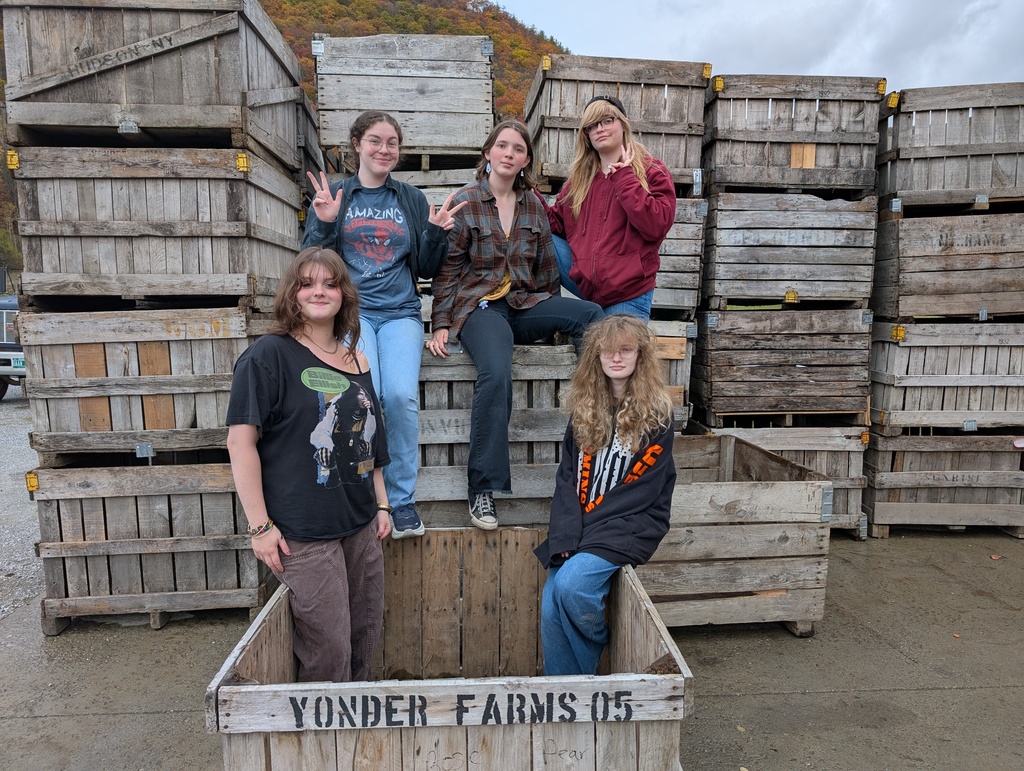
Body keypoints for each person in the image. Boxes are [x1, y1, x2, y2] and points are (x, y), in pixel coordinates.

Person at [426, 119, 604, 531]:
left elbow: (545, 269)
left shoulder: (533, 206)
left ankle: (592, 417)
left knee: (591, 315)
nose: (509, 153)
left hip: (524, 302)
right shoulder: (467, 202)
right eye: (502, 146)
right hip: (481, 308)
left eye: (518, 149)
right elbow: (448, 272)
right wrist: (441, 324)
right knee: (496, 371)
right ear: (488, 153)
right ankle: (482, 489)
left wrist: (556, 320)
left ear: (526, 160)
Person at [226, 246, 391, 683]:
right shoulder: (268, 356)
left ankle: (355, 734)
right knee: (329, 648)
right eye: (307, 283)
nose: (319, 291)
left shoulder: (358, 359)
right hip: (301, 530)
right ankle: (323, 747)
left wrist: (383, 505)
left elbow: (373, 440)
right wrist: (260, 527)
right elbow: (240, 443)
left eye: (330, 283)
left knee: (364, 633)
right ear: (292, 294)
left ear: (344, 294)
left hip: (359, 523)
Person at [302, 110, 466, 539]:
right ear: (357, 144)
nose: (384, 149)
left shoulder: (409, 199)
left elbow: (427, 267)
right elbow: (309, 261)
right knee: (364, 395)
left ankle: (403, 500)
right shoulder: (336, 193)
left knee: (398, 397)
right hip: (352, 314)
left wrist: (433, 234)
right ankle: (370, 502)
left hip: (400, 313)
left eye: (392, 142)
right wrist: (322, 221)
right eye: (375, 140)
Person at [534, 315, 677, 675]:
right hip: (582, 523)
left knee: (571, 584)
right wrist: (567, 534)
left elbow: (640, 492)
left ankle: (593, 650)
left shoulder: (657, 416)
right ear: (596, 357)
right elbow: (567, 478)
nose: (616, 358)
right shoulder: (584, 410)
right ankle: (562, 687)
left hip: (630, 522)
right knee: (551, 605)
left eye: (626, 350)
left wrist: (582, 535)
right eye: (608, 351)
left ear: (640, 355)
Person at [542, 95, 677, 321]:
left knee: (614, 354)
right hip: (585, 283)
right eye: (592, 125)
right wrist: (525, 190)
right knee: (541, 238)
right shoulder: (580, 180)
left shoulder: (651, 169)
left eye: (606, 121)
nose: (599, 129)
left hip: (628, 293)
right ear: (586, 135)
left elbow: (657, 225)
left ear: (623, 123)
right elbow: (556, 223)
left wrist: (624, 178)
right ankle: (537, 311)